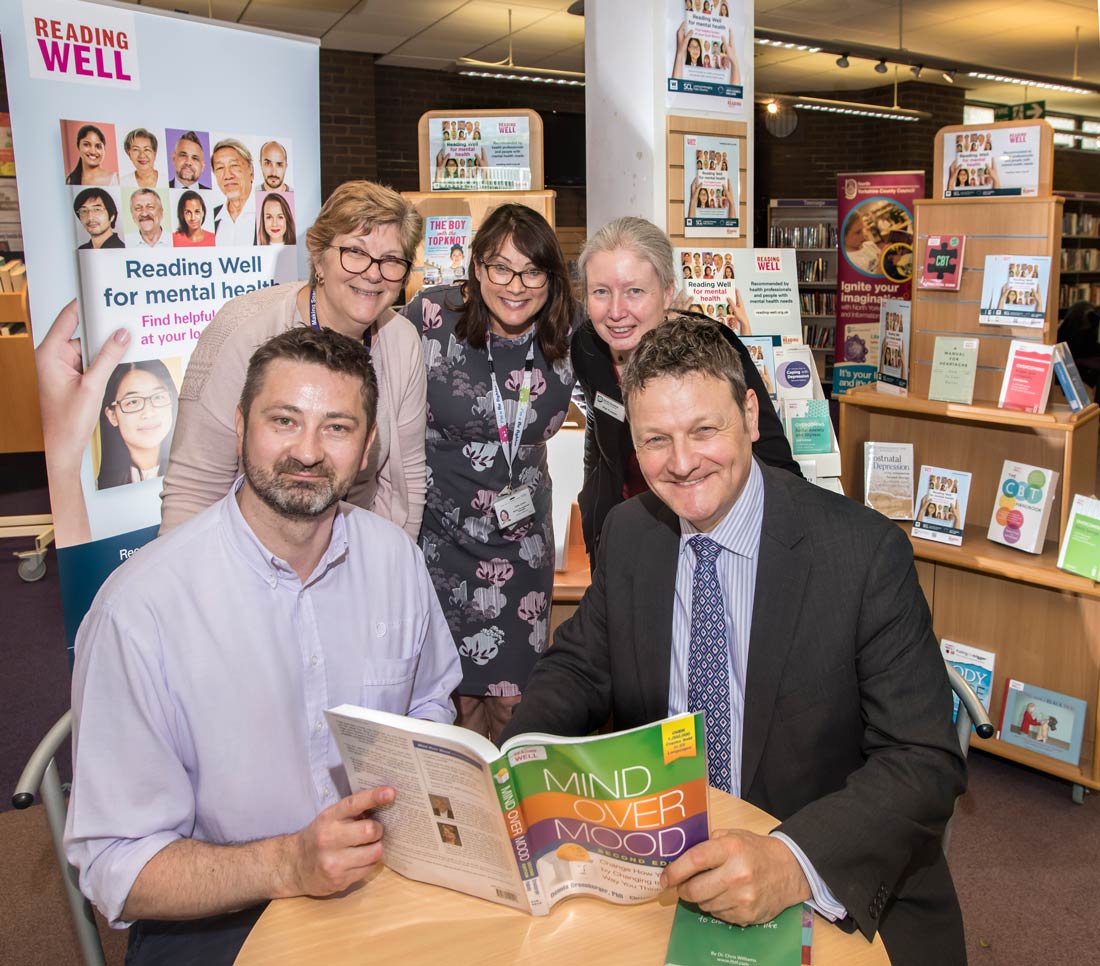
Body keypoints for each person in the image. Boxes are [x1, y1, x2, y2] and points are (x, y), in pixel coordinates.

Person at [502, 317, 967, 966]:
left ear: (750, 414)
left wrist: (792, 860)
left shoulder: (861, 555)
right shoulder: (633, 534)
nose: (683, 463)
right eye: (655, 440)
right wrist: (511, 764)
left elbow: (923, 758)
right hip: (663, 863)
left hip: (819, 867)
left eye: (703, 430)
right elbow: (577, 669)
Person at [64, 327, 462, 966]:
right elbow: (115, 865)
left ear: (366, 450)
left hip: (383, 874)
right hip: (217, 911)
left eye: (336, 427)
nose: (307, 451)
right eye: (284, 420)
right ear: (241, 424)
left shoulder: (397, 562)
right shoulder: (140, 610)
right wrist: (288, 863)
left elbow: (430, 707)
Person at [160, 180, 427, 540]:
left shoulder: (402, 341)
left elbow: (405, 480)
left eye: (391, 260)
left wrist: (391, 567)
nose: (373, 272)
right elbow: (194, 486)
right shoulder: (244, 329)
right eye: (355, 252)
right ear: (318, 255)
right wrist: (187, 589)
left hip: (353, 546)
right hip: (248, 552)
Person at [402, 204, 577, 743]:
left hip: (521, 546)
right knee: (453, 705)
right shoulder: (428, 320)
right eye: (500, 268)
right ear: (476, 268)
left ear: (551, 276)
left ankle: (512, 822)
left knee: (515, 706)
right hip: (440, 543)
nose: (516, 285)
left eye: (532, 271)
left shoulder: (568, 333)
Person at [571, 217, 799, 562]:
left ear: (666, 291)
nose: (616, 311)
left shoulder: (713, 348)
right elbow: (600, 434)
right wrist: (595, 521)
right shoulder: (588, 346)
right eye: (600, 292)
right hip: (625, 538)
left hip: (709, 537)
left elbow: (775, 461)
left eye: (634, 291)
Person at [95, 360, 178, 489]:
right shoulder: (98, 489)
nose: (149, 413)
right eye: (133, 402)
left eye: (158, 397)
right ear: (112, 415)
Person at [211, 138, 257, 246]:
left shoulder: (268, 214)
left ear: (251, 170)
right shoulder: (209, 219)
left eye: (234, 165)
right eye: (220, 168)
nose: (227, 175)